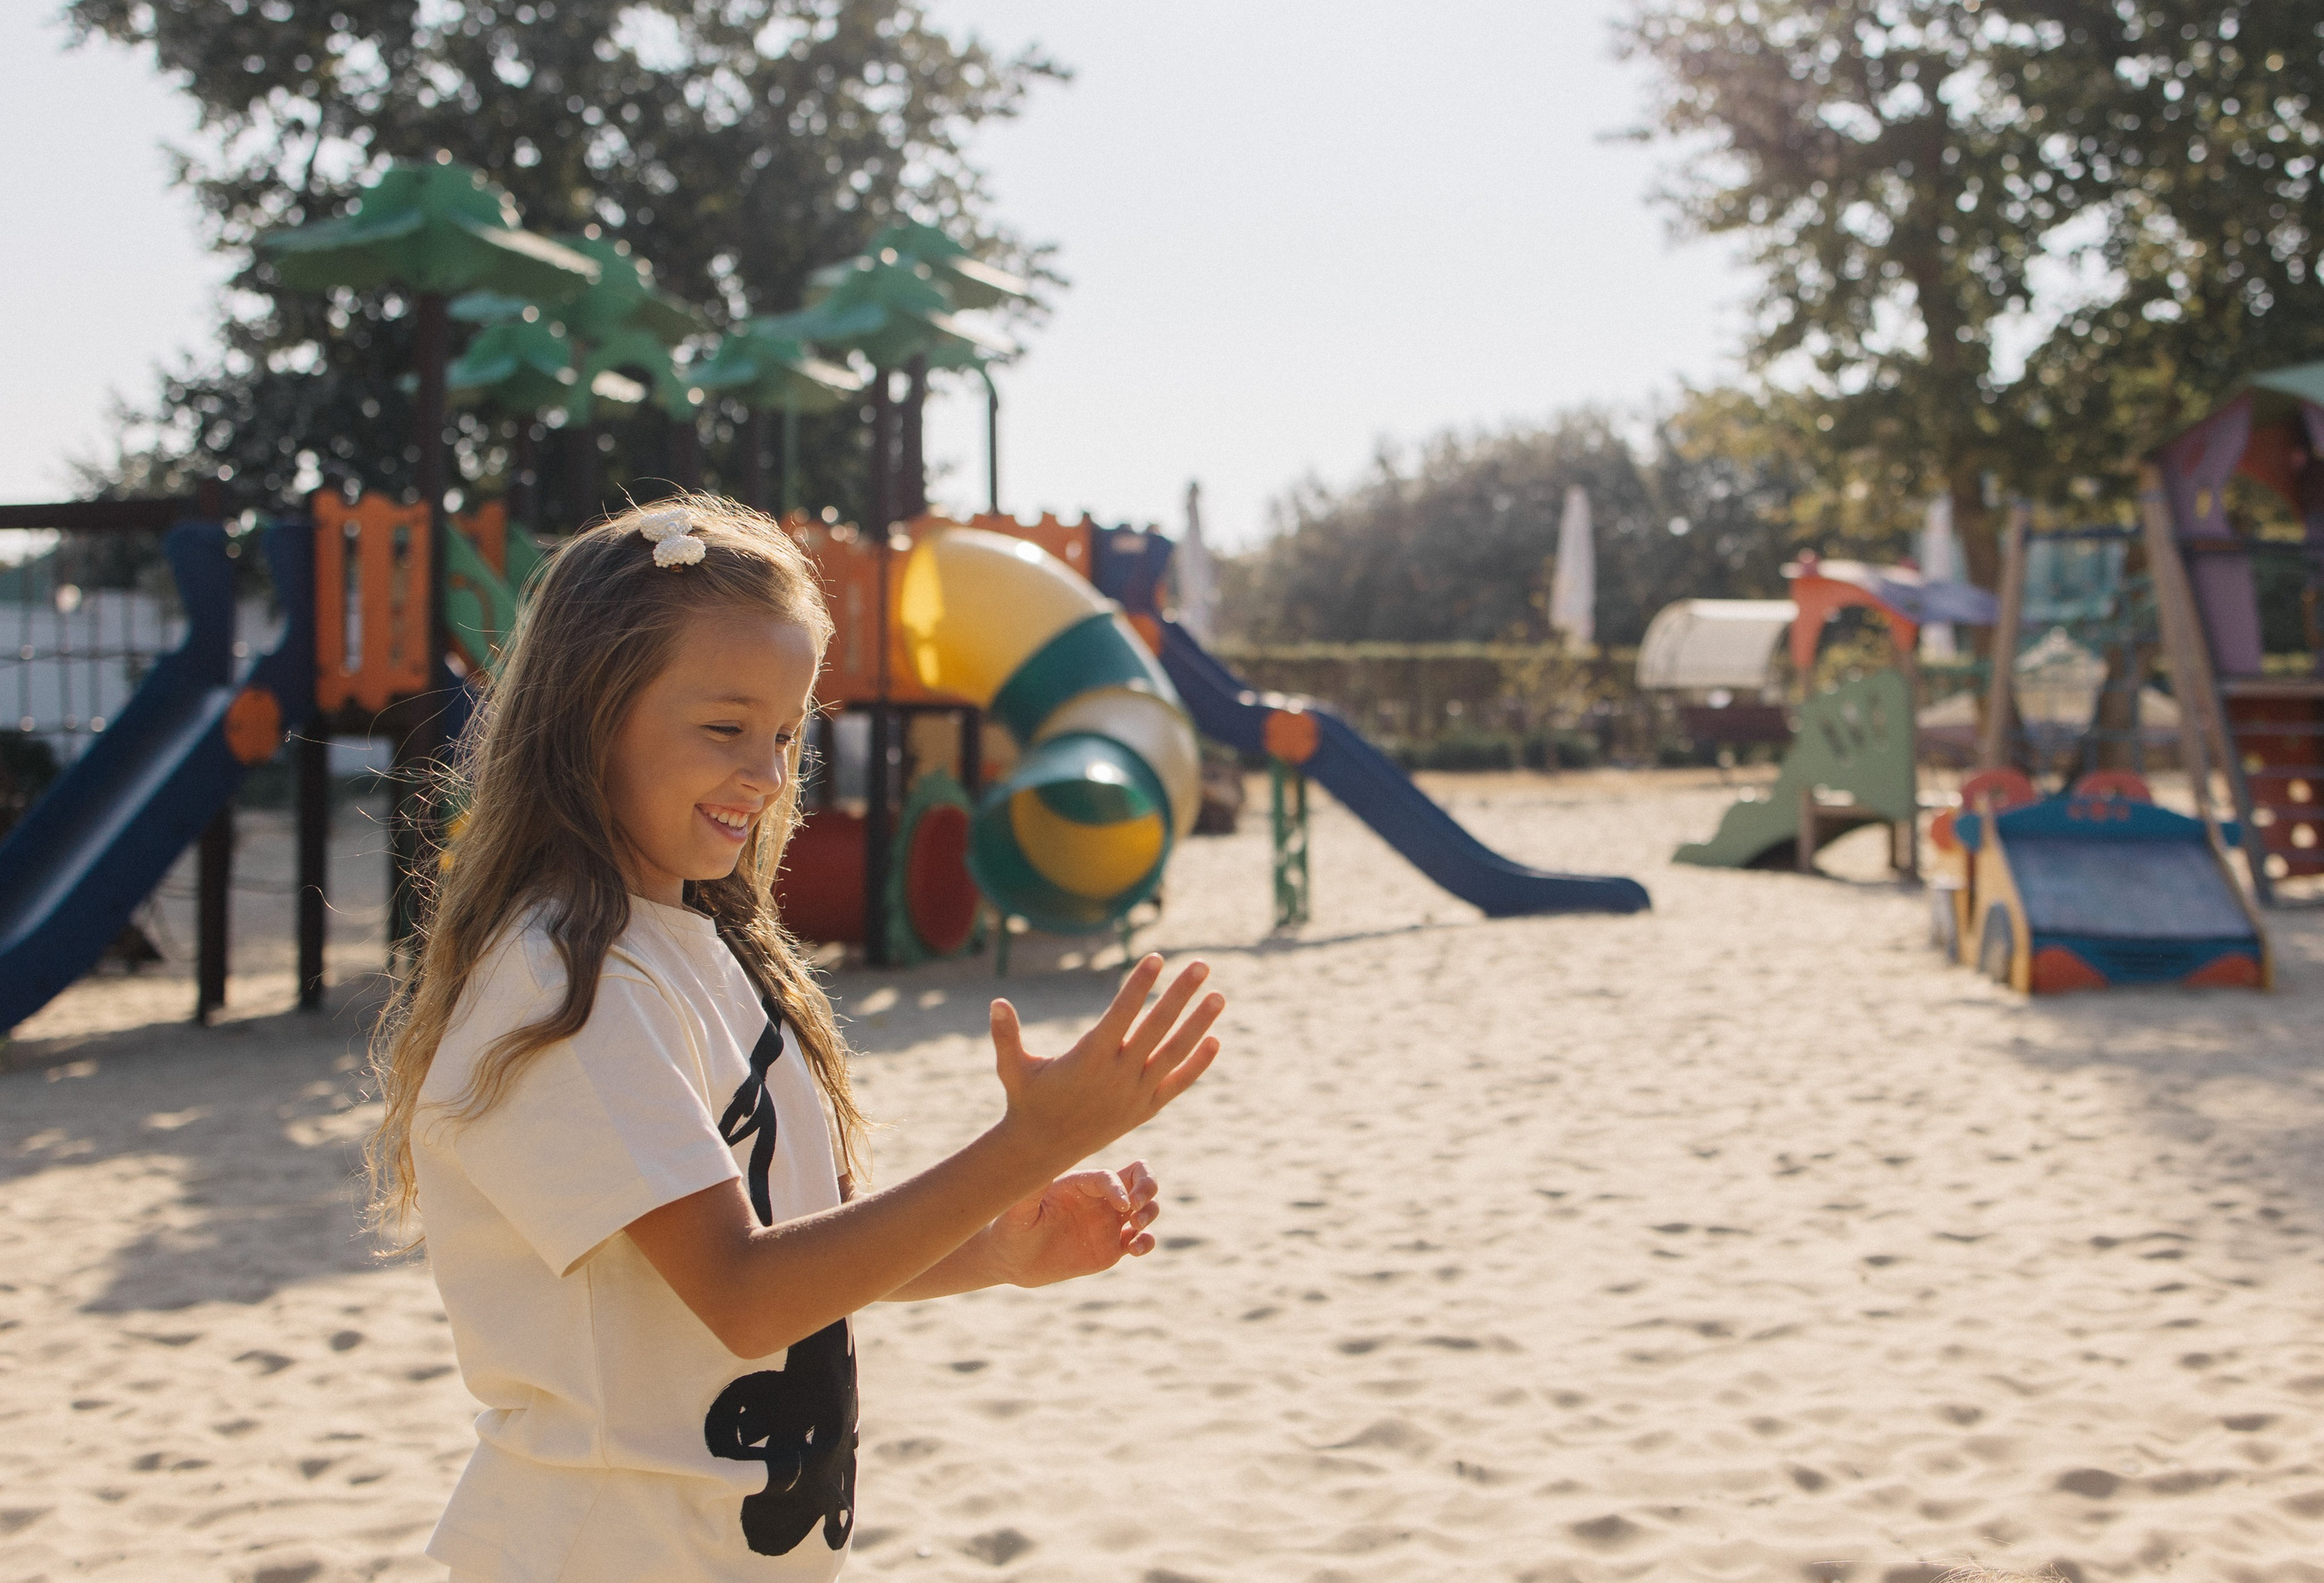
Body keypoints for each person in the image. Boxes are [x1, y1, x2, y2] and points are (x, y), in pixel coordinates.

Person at [365, 496, 1225, 1581]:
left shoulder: (699, 942)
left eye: (785, 735)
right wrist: (1029, 1143)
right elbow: (744, 1292)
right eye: (725, 729)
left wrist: (994, 1251)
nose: (768, 776)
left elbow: (800, 1247)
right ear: (589, 716)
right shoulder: (562, 988)